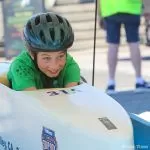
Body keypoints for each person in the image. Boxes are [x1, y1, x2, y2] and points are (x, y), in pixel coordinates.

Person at [7, 12, 81, 91]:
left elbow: (72, 96)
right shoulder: (20, 67)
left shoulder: (70, 66)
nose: (54, 66)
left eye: (60, 56)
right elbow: (31, 101)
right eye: (46, 58)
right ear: (32, 54)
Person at [98, 0, 150, 93]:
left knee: (112, 45)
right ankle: (139, 80)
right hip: (131, 7)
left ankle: (111, 83)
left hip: (110, 8)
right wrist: (147, 8)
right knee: (134, 43)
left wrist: (99, 14)